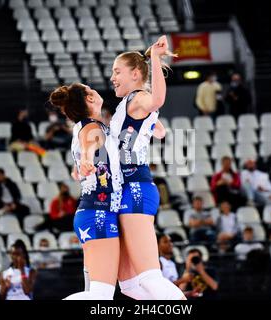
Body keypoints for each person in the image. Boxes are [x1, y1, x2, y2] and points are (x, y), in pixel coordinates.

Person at [109, 35, 186, 300]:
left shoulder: (139, 97)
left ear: (135, 73)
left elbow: (157, 101)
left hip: (135, 188)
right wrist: (151, 123)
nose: (112, 77)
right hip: (124, 189)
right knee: (129, 286)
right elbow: (160, 132)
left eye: (117, 71)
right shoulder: (128, 104)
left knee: (150, 278)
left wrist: (154, 57)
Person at [49, 83, 123, 300]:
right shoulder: (91, 126)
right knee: (101, 296)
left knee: (95, 294)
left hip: (93, 211)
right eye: (91, 89)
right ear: (90, 98)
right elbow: (90, 143)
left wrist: (82, 166)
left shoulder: (84, 126)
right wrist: (87, 159)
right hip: (99, 211)